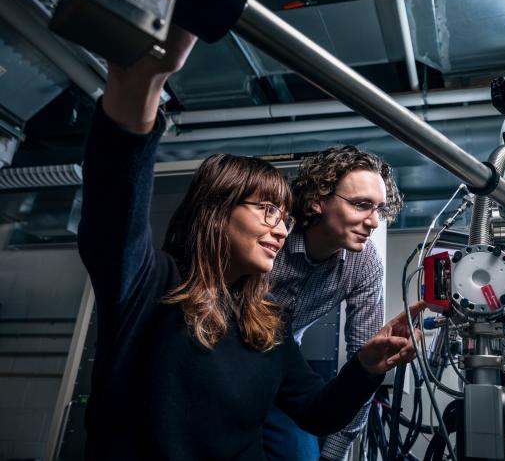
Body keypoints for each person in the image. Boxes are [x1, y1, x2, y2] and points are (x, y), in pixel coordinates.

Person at [77, 26, 424, 460]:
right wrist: (140, 83)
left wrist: (367, 366)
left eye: (284, 216)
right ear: (216, 210)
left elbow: (315, 412)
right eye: (267, 210)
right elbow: (114, 210)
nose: (281, 230)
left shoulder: (270, 326)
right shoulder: (150, 284)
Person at [263, 147, 402, 461]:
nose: (375, 222)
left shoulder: (365, 265)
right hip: (232, 352)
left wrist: (334, 453)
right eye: (361, 205)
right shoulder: (273, 233)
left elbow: (363, 366)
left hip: (285, 368)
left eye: (378, 208)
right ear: (317, 199)